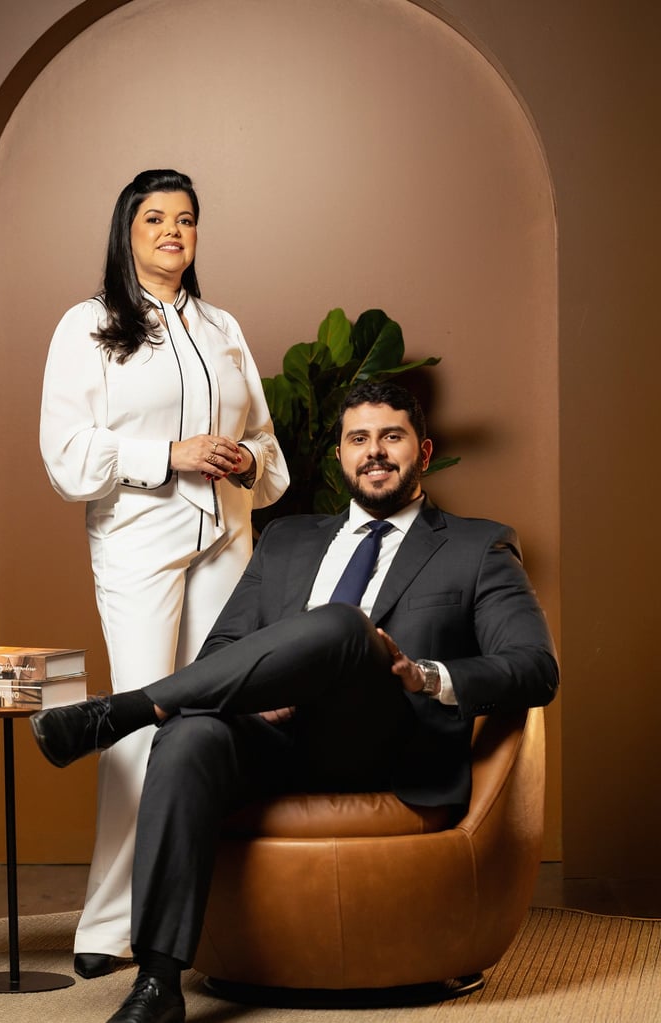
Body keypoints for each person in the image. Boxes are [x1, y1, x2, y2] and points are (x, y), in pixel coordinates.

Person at [32, 380, 559, 1023]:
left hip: (385, 743)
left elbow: (535, 668)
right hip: (277, 741)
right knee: (189, 737)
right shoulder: (287, 540)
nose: (374, 451)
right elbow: (222, 649)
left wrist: (422, 675)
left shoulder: (479, 546)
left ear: (422, 450)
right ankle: (159, 983)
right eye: (358, 439)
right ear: (340, 456)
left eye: (391, 437)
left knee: (342, 625)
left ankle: (124, 712)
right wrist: (256, 700)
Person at [39, 169, 289, 979]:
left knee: (218, 717)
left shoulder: (222, 327)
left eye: (185, 218)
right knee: (140, 725)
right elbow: (67, 456)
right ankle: (110, 923)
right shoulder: (88, 325)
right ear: (128, 230)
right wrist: (169, 454)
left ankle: (211, 918)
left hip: (227, 538)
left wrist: (245, 457)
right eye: (155, 218)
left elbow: (270, 450)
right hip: (139, 542)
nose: (173, 231)